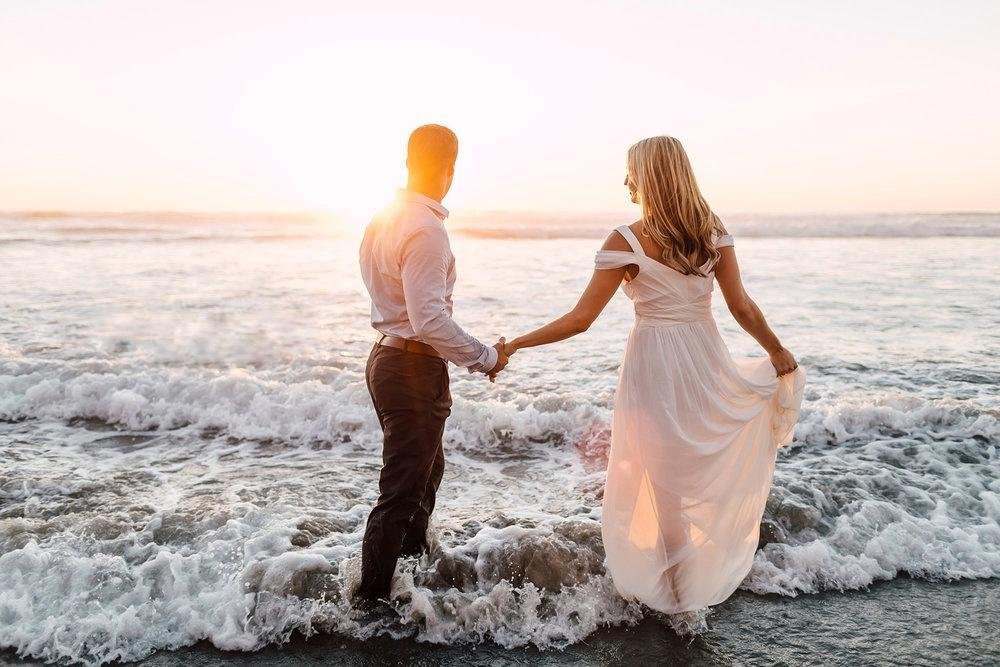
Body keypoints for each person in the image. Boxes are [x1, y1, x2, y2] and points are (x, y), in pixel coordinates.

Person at [502, 135, 806, 620]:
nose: (625, 181)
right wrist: (776, 350)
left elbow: (581, 320)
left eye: (631, 171)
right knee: (687, 473)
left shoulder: (624, 240)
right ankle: (687, 590)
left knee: (665, 486)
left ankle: (682, 603)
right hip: (705, 361)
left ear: (651, 176)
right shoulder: (712, 232)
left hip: (656, 368)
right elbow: (741, 308)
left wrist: (516, 343)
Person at [356, 124, 508, 604]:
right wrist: (485, 357)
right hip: (410, 368)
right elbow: (428, 321)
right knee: (403, 488)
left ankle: (411, 575)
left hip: (387, 358)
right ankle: (370, 601)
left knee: (425, 473)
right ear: (450, 168)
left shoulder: (382, 218)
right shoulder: (425, 229)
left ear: (407, 161)